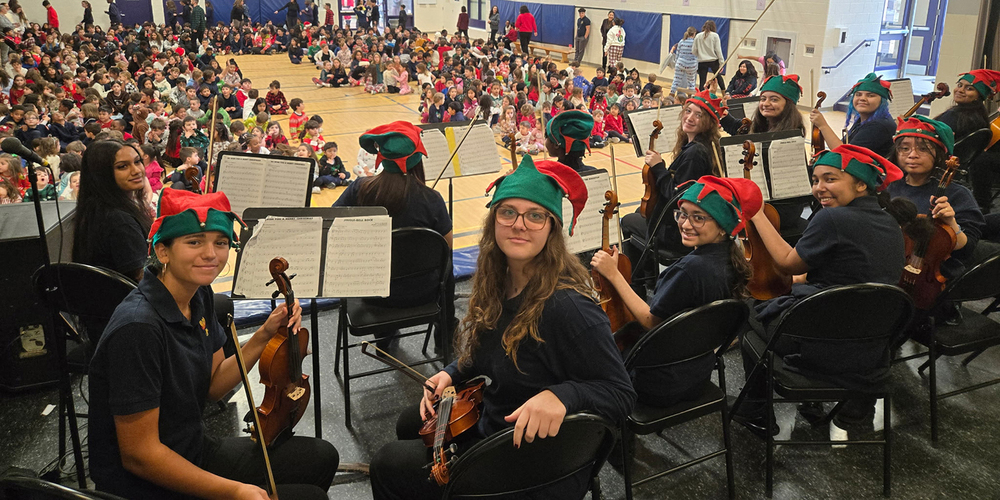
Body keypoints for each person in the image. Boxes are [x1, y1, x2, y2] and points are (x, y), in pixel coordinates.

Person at [368, 154, 636, 500]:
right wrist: (451, 372)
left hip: (529, 461)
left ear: (552, 228)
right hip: (500, 428)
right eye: (507, 212)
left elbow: (621, 394)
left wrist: (563, 395)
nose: (519, 224)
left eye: (535, 215)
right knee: (410, 422)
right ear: (493, 221)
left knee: (386, 463)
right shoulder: (500, 281)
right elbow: (489, 352)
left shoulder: (569, 308)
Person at [88, 188, 339, 500]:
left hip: (192, 448)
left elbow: (214, 386)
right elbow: (140, 455)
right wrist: (234, 491)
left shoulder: (200, 294)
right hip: (145, 484)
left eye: (220, 243)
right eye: (194, 242)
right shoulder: (138, 328)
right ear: (163, 251)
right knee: (309, 496)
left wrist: (265, 334)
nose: (211, 254)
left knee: (321, 457)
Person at [732, 144, 905, 439]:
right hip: (871, 347)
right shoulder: (889, 220)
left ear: (861, 184)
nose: (819, 188)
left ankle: (755, 408)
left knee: (747, 309)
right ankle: (855, 407)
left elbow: (787, 263)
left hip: (826, 345)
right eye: (815, 180)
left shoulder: (832, 218)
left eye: (830, 179)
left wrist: (757, 213)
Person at [593, 176, 758, 405]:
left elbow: (651, 322)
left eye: (698, 217)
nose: (685, 224)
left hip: (656, 382)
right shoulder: (731, 259)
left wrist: (614, 274)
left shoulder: (689, 271)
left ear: (722, 227)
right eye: (682, 214)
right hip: (697, 373)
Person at [332, 121, 455, 349]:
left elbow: (331, 228)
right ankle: (445, 336)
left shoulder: (359, 189)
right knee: (448, 264)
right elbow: (446, 248)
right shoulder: (432, 199)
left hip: (371, 291)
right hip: (423, 293)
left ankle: (384, 337)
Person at [619, 90, 725, 283]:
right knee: (639, 212)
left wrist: (659, 167)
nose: (690, 118)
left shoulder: (695, 153)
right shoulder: (702, 145)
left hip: (678, 230)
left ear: (708, 122)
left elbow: (676, 196)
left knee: (627, 221)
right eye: (688, 111)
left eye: (698, 115)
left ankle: (638, 282)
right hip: (688, 221)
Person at [886, 115, 984, 279]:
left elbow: (967, 250)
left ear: (939, 154)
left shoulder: (957, 194)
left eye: (923, 149)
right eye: (904, 148)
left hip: (934, 277)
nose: (912, 155)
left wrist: (951, 224)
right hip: (891, 269)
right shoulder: (888, 187)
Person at [73, 141, 151, 282]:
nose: (136, 170)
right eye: (122, 166)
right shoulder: (120, 221)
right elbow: (145, 280)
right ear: (102, 174)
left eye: (137, 162)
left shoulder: (95, 208)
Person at [934, 69, 1000, 212]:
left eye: (969, 88)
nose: (960, 90)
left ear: (978, 95)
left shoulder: (956, 116)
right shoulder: (979, 116)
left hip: (938, 162)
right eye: (959, 85)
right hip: (956, 166)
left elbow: (932, 138)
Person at [811, 72, 896, 158]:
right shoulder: (864, 119)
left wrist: (823, 126)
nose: (862, 98)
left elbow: (844, 154)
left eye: (870, 96)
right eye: (858, 94)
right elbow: (844, 145)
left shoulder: (878, 126)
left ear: (882, 101)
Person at [721, 74, 805, 136]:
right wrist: (723, 114)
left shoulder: (792, 136)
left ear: (788, 104)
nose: (766, 104)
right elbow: (737, 128)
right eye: (763, 99)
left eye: (774, 99)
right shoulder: (763, 124)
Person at [693, 20, 724, 91]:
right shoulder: (715, 36)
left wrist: (700, 55)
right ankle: (724, 94)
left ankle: (701, 95)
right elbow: (718, 51)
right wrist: (721, 63)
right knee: (718, 77)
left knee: (702, 81)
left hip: (702, 61)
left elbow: (694, 51)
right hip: (713, 61)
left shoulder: (698, 36)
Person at [670, 27, 698, 98]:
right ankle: (690, 97)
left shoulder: (681, 41)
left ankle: (671, 95)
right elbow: (697, 55)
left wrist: (676, 63)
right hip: (691, 65)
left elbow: (677, 54)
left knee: (676, 80)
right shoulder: (695, 43)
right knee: (691, 82)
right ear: (694, 33)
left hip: (680, 63)